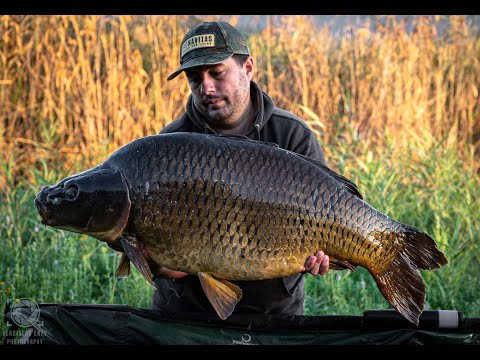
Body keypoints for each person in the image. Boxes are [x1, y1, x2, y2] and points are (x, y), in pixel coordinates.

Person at [145, 21, 330, 317]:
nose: (206, 88)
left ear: (248, 69)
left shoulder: (292, 136)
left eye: (217, 73)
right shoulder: (170, 146)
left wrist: (321, 255)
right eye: (194, 78)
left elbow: (326, 218)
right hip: (188, 313)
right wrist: (160, 264)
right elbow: (160, 256)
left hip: (274, 311)